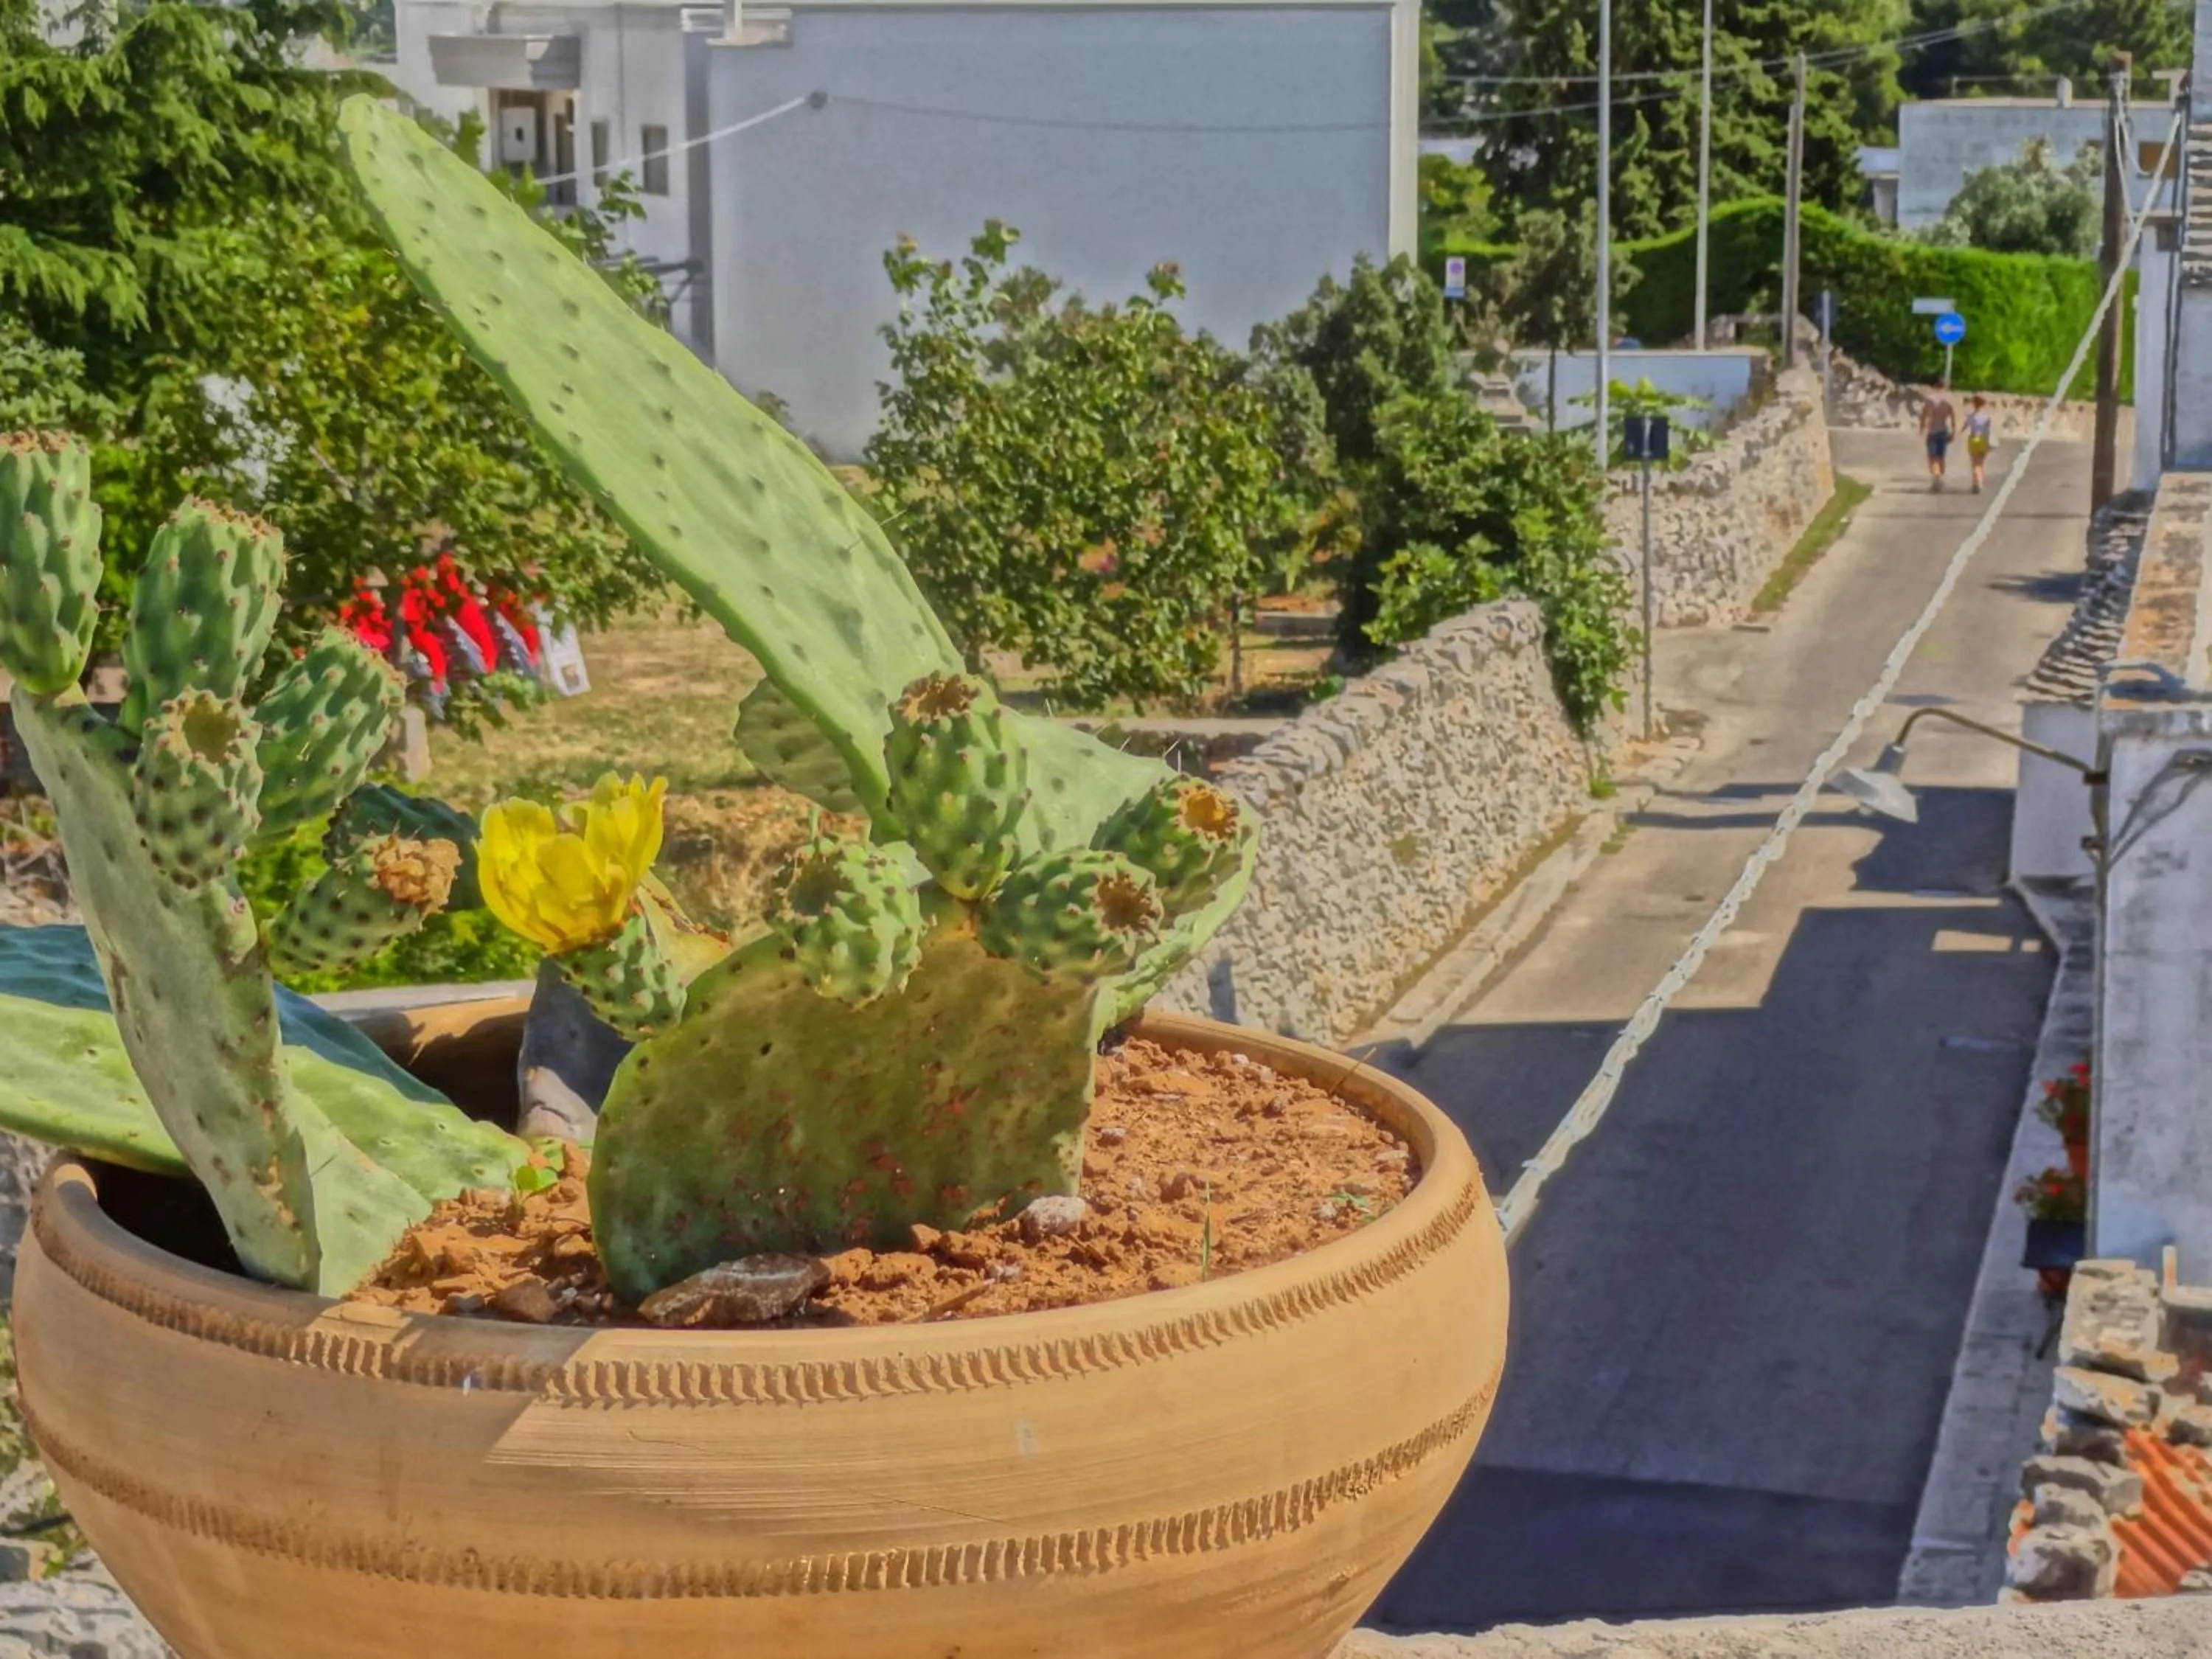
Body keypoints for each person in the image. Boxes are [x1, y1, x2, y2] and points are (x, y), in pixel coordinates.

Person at [1919, 384, 1957, 490]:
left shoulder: (1930, 399)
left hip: (1932, 431)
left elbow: (1924, 415)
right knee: (1941, 456)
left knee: (1933, 457)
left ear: (1934, 387)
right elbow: (1953, 417)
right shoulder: (1948, 399)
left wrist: (1921, 428)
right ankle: (1940, 476)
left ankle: (1936, 476)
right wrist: (1953, 431)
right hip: (1943, 431)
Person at [1964, 394, 1994, 494]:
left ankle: (1976, 483)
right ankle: (1980, 482)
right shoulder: (1987, 417)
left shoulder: (1971, 416)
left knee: (1975, 463)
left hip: (1974, 439)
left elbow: (1965, 427)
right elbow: (1989, 429)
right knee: (1981, 463)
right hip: (1983, 439)